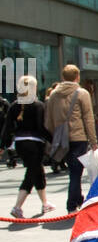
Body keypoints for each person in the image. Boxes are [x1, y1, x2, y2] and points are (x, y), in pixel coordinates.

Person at [45, 64, 98, 214]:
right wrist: (93, 141)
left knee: (74, 170)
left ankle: (78, 199)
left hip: (61, 139)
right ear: (77, 77)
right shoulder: (82, 93)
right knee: (76, 172)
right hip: (78, 137)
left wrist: (55, 134)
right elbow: (88, 118)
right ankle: (71, 204)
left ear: (63, 77)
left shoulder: (54, 94)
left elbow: (48, 119)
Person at [1, 74, 54, 218]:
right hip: (34, 145)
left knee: (37, 171)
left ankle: (45, 203)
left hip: (20, 144)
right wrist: (53, 140)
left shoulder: (13, 106)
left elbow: (7, 128)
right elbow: (41, 128)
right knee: (31, 173)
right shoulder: (38, 105)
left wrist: (2, 146)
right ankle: (17, 207)